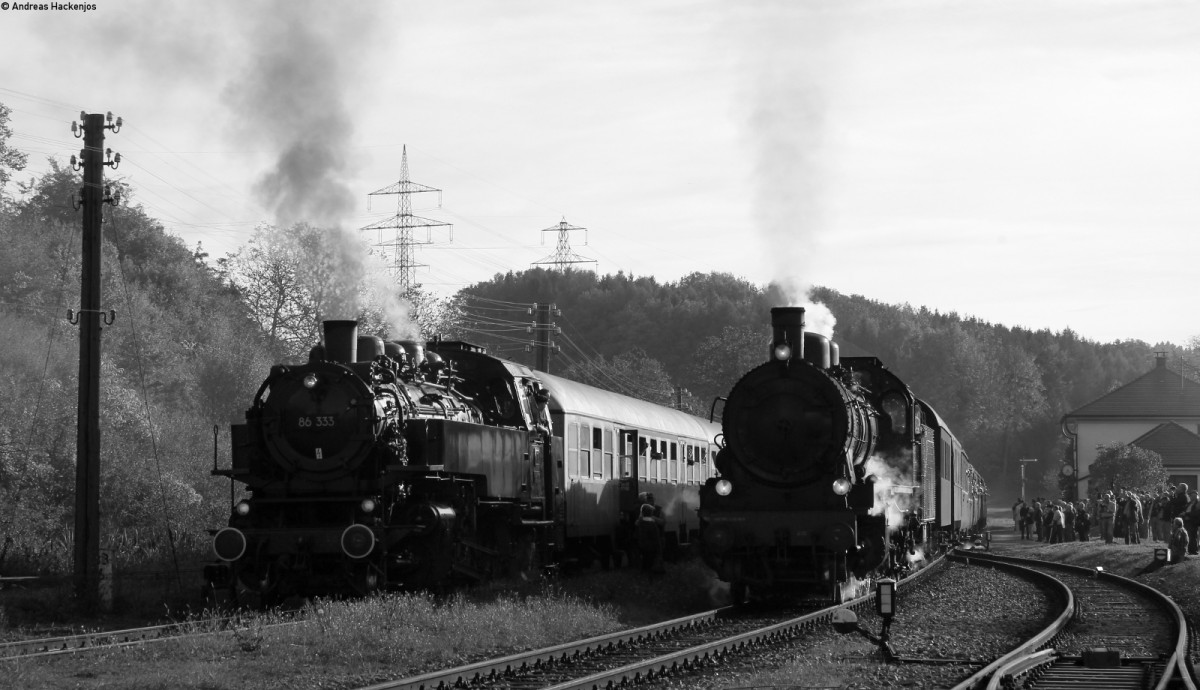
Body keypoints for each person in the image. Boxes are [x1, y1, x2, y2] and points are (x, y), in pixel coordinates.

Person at [635, 502, 663, 574]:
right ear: (650, 513)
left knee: (644, 564)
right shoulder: (652, 525)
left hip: (642, 547)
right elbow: (656, 538)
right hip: (652, 547)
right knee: (651, 565)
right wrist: (659, 549)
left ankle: (643, 576)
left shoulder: (639, 523)